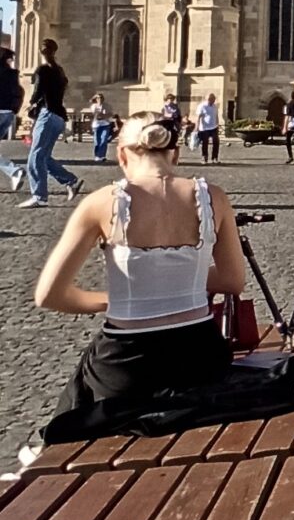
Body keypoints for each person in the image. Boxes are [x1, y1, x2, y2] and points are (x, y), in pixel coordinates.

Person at [35, 112, 247, 441]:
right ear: (174, 153)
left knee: (79, 398)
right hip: (201, 358)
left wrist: (112, 299)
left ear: (122, 155)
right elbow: (233, 280)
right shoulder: (213, 197)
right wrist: (178, 279)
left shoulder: (102, 202)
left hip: (128, 368)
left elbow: (49, 295)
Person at [15, 40, 80, 210]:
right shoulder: (59, 70)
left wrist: (31, 104)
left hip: (47, 115)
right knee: (43, 156)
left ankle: (39, 196)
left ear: (40, 52)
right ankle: (70, 180)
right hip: (59, 117)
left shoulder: (42, 70)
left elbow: (37, 91)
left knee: (35, 157)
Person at [0, 41, 22, 188]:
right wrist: (14, 110)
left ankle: (14, 171)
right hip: (8, 114)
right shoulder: (12, 74)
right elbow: (20, 92)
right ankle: (13, 172)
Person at [194, 92, 221, 165]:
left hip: (213, 127)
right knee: (205, 143)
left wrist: (218, 125)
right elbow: (198, 117)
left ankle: (215, 158)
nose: (212, 101)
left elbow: (216, 116)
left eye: (213, 99)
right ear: (207, 99)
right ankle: (204, 158)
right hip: (204, 128)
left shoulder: (215, 106)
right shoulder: (202, 106)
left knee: (216, 142)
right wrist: (197, 127)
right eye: (210, 99)